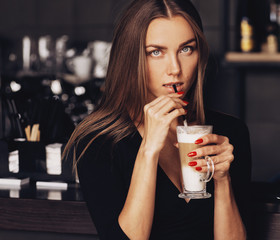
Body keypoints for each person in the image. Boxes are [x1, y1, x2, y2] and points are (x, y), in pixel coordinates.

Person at [63, 0, 252, 239]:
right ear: (130, 58)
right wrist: (148, 150)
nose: (175, 68)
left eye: (186, 49)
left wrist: (223, 181)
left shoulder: (228, 133)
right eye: (155, 52)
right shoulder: (99, 142)